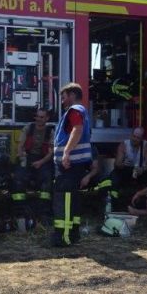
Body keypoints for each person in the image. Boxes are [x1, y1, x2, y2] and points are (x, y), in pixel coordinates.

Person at [51, 83, 92, 247]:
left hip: (69, 164)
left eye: (64, 97)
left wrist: (66, 153)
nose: (62, 100)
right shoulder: (81, 111)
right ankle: (73, 234)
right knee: (72, 198)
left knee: (65, 197)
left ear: (73, 95)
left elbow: (77, 130)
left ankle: (63, 236)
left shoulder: (75, 110)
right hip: (75, 164)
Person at [11, 108, 54, 222]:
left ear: (47, 118)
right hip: (27, 158)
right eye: (37, 116)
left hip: (43, 160)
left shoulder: (50, 132)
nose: (38, 119)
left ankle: (44, 214)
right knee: (18, 179)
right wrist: (22, 155)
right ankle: (20, 213)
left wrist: (40, 162)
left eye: (41, 117)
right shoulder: (28, 128)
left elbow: (50, 153)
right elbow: (20, 146)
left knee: (47, 181)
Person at [107, 127, 147, 207]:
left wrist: (143, 169)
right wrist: (122, 164)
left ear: (142, 139)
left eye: (138, 138)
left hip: (140, 172)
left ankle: (143, 204)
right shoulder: (124, 144)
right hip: (125, 170)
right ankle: (114, 203)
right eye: (134, 136)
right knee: (114, 177)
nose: (135, 139)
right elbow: (117, 164)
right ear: (131, 135)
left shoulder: (146, 146)